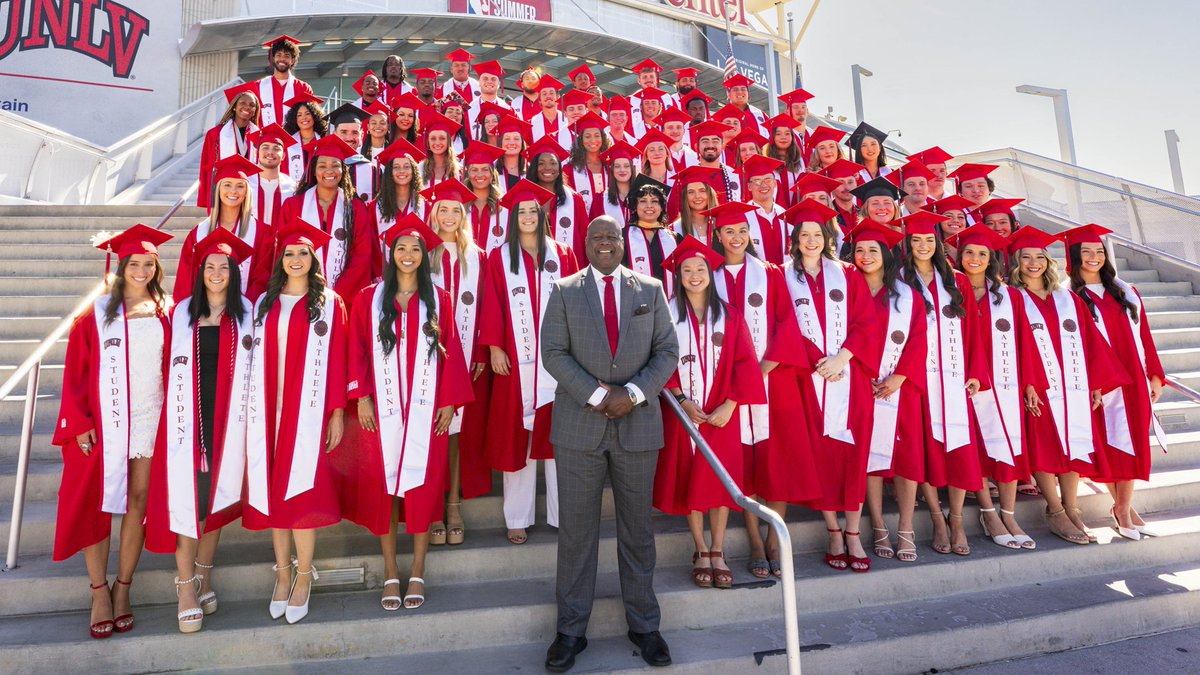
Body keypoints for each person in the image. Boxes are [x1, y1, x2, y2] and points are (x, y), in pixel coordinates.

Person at [540, 215, 679, 672]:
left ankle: (644, 625)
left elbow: (667, 352)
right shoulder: (563, 290)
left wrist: (633, 394)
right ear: (585, 243)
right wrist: (601, 395)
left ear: (623, 242)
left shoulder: (650, 289)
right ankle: (570, 631)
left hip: (638, 426)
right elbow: (554, 353)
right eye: (596, 237)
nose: (605, 243)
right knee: (577, 534)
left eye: (612, 237)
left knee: (638, 533)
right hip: (580, 427)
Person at [346, 216, 473, 611]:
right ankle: (389, 571)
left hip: (425, 410)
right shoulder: (368, 298)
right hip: (380, 413)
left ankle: (416, 569)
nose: (408, 254)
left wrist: (450, 401)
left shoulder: (440, 299)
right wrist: (362, 396)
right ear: (390, 252)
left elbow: (452, 350)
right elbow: (357, 350)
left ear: (424, 255)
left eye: (416, 248)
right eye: (401, 247)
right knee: (386, 492)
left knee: (420, 491)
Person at [55, 225, 173, 640]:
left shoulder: (165, 310)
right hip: (105, 421)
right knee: (99, 505)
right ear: (120, 267)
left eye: (147, 264)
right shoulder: (97, 312)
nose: (140, 270)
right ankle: (98, 592)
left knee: (138, 502)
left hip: (149, 418)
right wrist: (80, 422)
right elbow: (75, 374)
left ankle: (123, 587)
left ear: (156, 268)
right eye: (133, 263)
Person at [145, 228, 255, 633]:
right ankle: (186, 585)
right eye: (209, 266)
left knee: (216, 498)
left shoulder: (246, 313)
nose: (215, 272)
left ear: (233, 273)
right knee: (188, 500)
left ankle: (205, 573)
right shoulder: (181, 313)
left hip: (227, 417)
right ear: (199, 270)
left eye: (223, 267)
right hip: (186, 419)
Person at [243, 219, 347, 624]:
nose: (296, 258)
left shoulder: (330, 303)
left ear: (314, 259)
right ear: (280, 260)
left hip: (309, 411)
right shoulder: (264, 304)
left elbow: (336, 359)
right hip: (270, 410)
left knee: (301, 492)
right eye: (289, 253)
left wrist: (337, 411)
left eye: (303, 253)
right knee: (272, 491)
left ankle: (304, 575)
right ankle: (282, 574)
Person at [708, 205, 820, 579]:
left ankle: (775, 538)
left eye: (742, 230)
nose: (736, 238)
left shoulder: (769, 274)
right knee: (741, 460)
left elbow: (788, 325)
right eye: (729, 232)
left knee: (778, 458)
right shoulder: (709, 275)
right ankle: (755, 539)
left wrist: (759, 371)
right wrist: (739, 382)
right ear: (718, 235)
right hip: (726, 387)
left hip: (775, 379)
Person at [655, 236, 766, 589]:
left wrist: (730, 405)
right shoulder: (667, 314)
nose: (694, 275)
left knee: (720, 482)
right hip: (684, 413)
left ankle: (719, 549)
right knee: (691, 479)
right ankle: (700, 549)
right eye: (686, 270)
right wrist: (681, 400)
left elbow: (745, 362)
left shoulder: (730, 314)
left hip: (721, 414)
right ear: (678, 276)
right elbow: (659, 359)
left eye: (700, 269)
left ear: (710, 272)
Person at [1007, 226, 1127, 545]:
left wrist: (1096, 384)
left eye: (1039, 257)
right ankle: (1055, 509)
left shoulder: (1067, 297)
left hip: (1073, 383)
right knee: (1045, 446)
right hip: (1038, 386)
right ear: (1016, 263)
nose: (1034, 263)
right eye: (1026, 258)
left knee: (1073, 443)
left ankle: (1073, 508)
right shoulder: (1011, 298)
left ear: (1049, 261)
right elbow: (1015, 345)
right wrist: (1029, 383)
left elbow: (1090, 341)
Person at [479, 181, 582, 546]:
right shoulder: (498, 257)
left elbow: (578, 307)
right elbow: (489, 304)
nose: (527, 216)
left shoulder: (564, 254)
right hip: (515, 364)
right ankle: (517, 517)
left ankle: (561, 514)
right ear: (512, 217)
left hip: (559, 365)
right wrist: (493, 348)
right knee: (517, 441)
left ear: (543, 215)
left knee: (560, 439)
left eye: (532, 211)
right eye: (520, 211)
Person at [784, 207, 881, 572]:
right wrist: (816, 361)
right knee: (820, 455)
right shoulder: (783, 277)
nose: (811, 241)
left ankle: (853, 533)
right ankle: (833, 531)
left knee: (853, 455)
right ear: (795, 241)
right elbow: (785, 325)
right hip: (807, 379)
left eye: (817, 234)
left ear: (828, 239)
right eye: (804, 235)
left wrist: (841, 358)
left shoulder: (849, 274)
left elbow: (866, 322)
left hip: (849, 376)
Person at [1063, 224, 1166, 540]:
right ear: (1075, 257)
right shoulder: (1068, 296)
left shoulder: (1126, 290)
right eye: (1086, 252)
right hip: (1099, 382)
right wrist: (1091, 382)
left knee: (1131, 442)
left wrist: (1155, 374)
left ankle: (1123, 504)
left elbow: (1144, 334)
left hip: (1133, 376)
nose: (1093, 257)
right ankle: (1122, 507)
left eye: (1098, 252)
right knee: (1108, 446)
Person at [949, 223, 1043, 550]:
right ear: (959, 257)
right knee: (973, 446)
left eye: (982, 254)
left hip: (1004, 381)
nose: (975, 258)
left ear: (992, 259)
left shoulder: (1009, 297)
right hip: (964, 381)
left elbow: (1025, 342)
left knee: (1005, 445)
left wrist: (1030, 382)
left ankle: (1009, 513)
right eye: (970, 253)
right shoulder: (950, 292)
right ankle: (988, 513)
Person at [899, 211, 988, 556]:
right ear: (907, 244)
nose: (923, 245)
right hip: (918, 379)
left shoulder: (957, 280)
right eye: (916, 240)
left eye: (928, 240)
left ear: (937, 244)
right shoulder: (901, 280)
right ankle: (936, 517)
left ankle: (956, 520)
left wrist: (976, 372)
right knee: (925, 449)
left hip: (953, 377)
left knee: (959, 451)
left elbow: (973, 333)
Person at [849, 221, 927, 563]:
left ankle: (906, 528)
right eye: (860, 250)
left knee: (907, 457)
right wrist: (859, 374)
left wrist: (901, 376)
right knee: (868, 456)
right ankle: (879, 525)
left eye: (873, 250)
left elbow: (919, 337)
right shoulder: (847, 290)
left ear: (886, 255)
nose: (866, 256)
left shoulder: (907, 295)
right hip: (861, 387)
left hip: (900, 386)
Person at [427, 183, 496, 541]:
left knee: (456, 432)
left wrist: (483, 351)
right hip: (428, 358)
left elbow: (487, 305)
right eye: (443, 209)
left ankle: (453, 502)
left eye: (456, 210)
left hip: (468, 356)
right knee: (433, 429)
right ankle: (434, 503)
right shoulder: (422, 251)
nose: (450, 216)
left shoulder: (478, 255)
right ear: (434, 213)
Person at [175, 155, 275, 302]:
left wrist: (243, 310)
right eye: (227, 185)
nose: (233, 191)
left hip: (245, 316)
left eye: (240, 186)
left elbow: (263, 279)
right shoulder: (198, 233)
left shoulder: (263, 233)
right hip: (204, 315)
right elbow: (186, 279)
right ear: (218, 189)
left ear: (247, 192)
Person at [525, 135, 589, 258]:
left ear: (559, 168)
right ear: (534, 167)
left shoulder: (575, 199)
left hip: (569, 263)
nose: (548, 167)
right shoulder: (524, 199)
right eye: (541, 163)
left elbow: (584, 237)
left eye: (553, 163)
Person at [198, 85, 260, 209]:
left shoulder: (260, 135)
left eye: (252, 105)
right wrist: (207, 198)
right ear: (234, 107)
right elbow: (206, 167)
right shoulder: (215, 134)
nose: (247, 107)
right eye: (242, 103)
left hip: (250, 190)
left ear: (255, 110)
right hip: (224, 191)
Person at [370, 137, 427, 270]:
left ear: (414, 171)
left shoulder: (425, 206)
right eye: (396, 167)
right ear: (390, 172)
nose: (402, 171)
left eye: (407, 167)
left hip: (417, 274)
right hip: (384, 274)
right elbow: (372, 245)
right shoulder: (374, 208)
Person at [623, 175, 681, 290]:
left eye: (654, 201)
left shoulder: (675, 239)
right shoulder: (622, 237)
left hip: (669, 304)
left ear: (661, 207)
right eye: (643, 201)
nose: (649, 206)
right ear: (635, 206)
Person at [246, 124, 298, 230]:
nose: (270, 152)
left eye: (276, 148)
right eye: (265, 147)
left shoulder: (292, 188)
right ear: (257, 152)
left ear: (283, 156)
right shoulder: (245, 184)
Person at [741, 155, 789, 265]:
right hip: (757, 279)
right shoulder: (743, 217)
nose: (763, 185)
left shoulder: (786, 215)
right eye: (757, 181)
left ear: (775, 183)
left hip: (786, 278)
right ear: (749, 187)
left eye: (768, 180)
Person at [256, 35, 314, 127]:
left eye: (287, 56)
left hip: (295, 139)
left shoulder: (303, 88)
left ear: (293, 60)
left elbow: (309, 117)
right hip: (266, 139)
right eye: (279, 55)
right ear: (273, 59)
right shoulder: (259, 86)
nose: (282, 59)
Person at [565, 111, 612, 217]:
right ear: (581, 140)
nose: (593, 140)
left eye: (597, 135)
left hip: (611, 225)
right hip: (582, 224)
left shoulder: (611, 167)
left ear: (603, 138)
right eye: (587, 136)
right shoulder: (569, 170)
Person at [325, 103, 375, 200]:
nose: (349, 138)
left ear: (362, 135)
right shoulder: (321, 168)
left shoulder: (372, 170)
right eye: (343, 132)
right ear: (334, 135)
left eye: (355, 133)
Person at [669, 165, 722, 244]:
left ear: (710, 194)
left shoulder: (722, 224)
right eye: (691, 192)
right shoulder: (674, 229)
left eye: (702, 190)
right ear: (684, 196)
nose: (697, 196)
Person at [282, 92, 327, 179]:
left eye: (307, 113)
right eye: (299, 115)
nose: (303, 118)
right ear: (294, 119)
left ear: (315, 116)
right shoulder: (288, 144)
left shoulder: (324, 140)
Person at [764, 114, 805, 210]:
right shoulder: (765, 163)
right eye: (778, 134)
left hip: (798, 213)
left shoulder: (801, 162)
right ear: (772, 137)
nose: (783, 137)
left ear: (792, 137)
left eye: (787, 134)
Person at [599, 140, 640, 227]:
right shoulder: (600, 199)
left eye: (626, 166)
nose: (622, 170)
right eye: (617, 166)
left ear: (632, 169)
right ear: (612, 169)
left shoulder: (642, 195)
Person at [420, 108, 463, 187]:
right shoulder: (419, 169)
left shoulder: (459, 171)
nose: (437, 142)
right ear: (428, 143)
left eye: (442, 138)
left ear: (448, 142)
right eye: (433, 139)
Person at [530, 74, 572, 148]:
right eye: (544, 94)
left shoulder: (568, 120)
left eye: (551, 93)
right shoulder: (531, 123)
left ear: (558, 97)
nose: (548, 96)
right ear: (539, 100)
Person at [777, 88, 815, 159]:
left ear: (807, 111)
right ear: (787, 112)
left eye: (803, 107)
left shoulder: (813, 135)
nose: (800, 110)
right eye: (795, 107)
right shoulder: (783, 136)